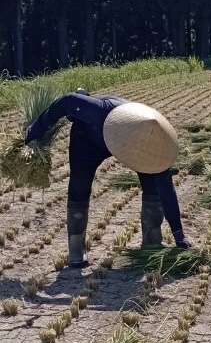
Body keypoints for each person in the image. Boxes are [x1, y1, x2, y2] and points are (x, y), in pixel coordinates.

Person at [25, 89, 193, 269]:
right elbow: (68, 101)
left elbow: (167, 191)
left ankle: (152, 242)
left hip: (135, 143)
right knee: (79, 185)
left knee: (153, 184)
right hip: (89, 139)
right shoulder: (99, 111)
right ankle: (76, 247)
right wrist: (38, 128)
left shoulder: (155, 147)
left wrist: (178, 233)